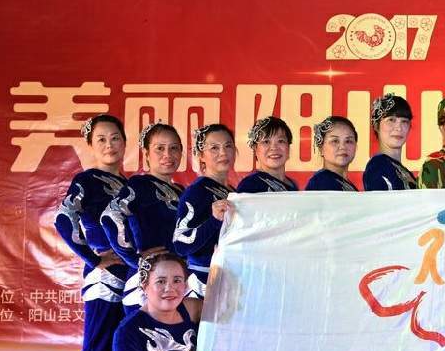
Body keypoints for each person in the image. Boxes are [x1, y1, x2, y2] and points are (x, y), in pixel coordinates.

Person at [54, 113, 129, 351]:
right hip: (104, 283)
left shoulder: (129, 184)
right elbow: (63, 219)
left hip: (132, 280)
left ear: (125, 143)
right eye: (101, 139)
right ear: (91, 146)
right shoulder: (87, 181)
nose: (109, 145)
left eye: (115, 138)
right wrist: (93, 258)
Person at [101, 122, 185, 310]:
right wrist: (135, 259)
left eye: (174, 148)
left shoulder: (182, 191)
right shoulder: (140, 185)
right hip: (146, 286)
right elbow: (110, 216)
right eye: (159, 149)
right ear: (146, 154)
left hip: (175, 284)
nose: (167, 155)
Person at [173, 124, 234, 299]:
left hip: (229, 282)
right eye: (214, 148)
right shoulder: (197, 191)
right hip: (202, 285)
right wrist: (213, 220)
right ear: (201, 155)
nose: (223, 153)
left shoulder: (234, 192)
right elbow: (180, 243)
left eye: (228, 146)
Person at [363, 94, 418, 190]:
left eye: (404, 121)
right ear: (376, 126)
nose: (398, 128)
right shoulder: (378, 166)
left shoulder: (405, 172)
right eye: (391, 120)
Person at [237, 116, 298, 193]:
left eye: (280, 141)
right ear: (255, 149)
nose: (274, 148)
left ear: (288, 147)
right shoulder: (249, 185)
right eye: (266, 142)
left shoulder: (293, 185)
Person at [305, 116, 359, 191]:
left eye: (348, 141)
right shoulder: (321, 183)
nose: (342, 147)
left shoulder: (346, 184)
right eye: (335, 141)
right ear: (321, 148)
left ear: (356, 147)